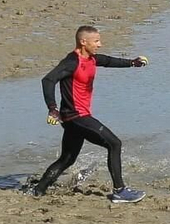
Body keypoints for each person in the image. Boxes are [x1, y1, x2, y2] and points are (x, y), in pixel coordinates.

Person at [20, 26, 148, 203]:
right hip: (76, 116)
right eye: (96, 41)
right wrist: (52, 108)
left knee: (67, 159)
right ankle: (120, 191)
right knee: (114, 143)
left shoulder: (92, 59)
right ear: (83, 42)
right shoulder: (71, 62)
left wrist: (132, 63)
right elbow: (48, 80)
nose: (99, 44)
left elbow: (108, 60)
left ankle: (38, 191)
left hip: (74, 119)